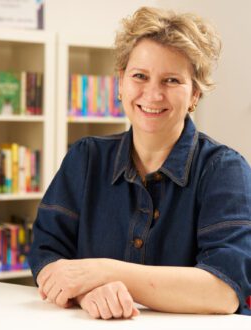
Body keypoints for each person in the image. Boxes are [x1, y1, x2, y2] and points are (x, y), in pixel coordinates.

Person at [28, 6, 251, 319]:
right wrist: (89, 291)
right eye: (140, 76)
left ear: (195, 94)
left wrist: (104, 272)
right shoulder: (85, 158)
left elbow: (223, 290)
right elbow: (46, 253)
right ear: (120, 82)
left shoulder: (224, 170)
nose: (153, 94)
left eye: (171, 80)